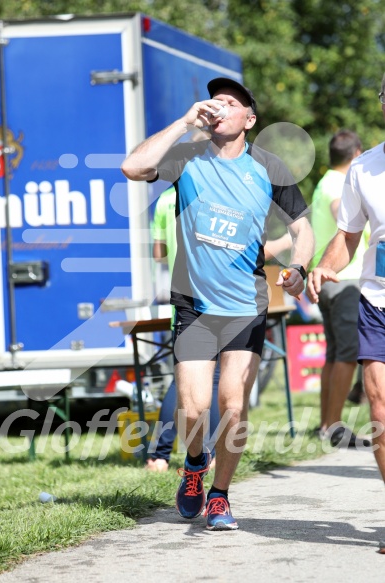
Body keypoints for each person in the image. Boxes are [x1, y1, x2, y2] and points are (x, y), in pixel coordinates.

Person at [122, 77, 313, 531]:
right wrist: (185, 121)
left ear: (249, 119)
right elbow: (133, 167)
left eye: (231, 103)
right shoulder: (186, 158)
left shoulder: (269, 168)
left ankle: (221, 496)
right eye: (215, 101)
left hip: (246, 303)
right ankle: (193, 466)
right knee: (191, 408)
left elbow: (302, 229)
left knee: (232, 402)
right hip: (193, 302)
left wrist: (299, 269)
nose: (219, 107)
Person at [306, 73, 385, 499]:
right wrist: (324, 265)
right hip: (377, 300)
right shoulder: (364, 168)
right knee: (379, 411)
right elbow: (349, 234)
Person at [146, 186, 221, 472]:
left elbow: (158, 253)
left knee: (180, 381)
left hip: (181, 297)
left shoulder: (165, 199)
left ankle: (159, 456)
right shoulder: (211, 195)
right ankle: (210, 453)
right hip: (216, 296)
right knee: (211, 381)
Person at [310, 130, 369, 447]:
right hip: (342, 279)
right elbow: (340, 213)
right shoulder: (338, 183)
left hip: (328, 279)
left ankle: (324, 424)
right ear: (357, 154)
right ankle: (334, 428)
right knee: (347, 355)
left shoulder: (325, 180)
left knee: (335, 355)